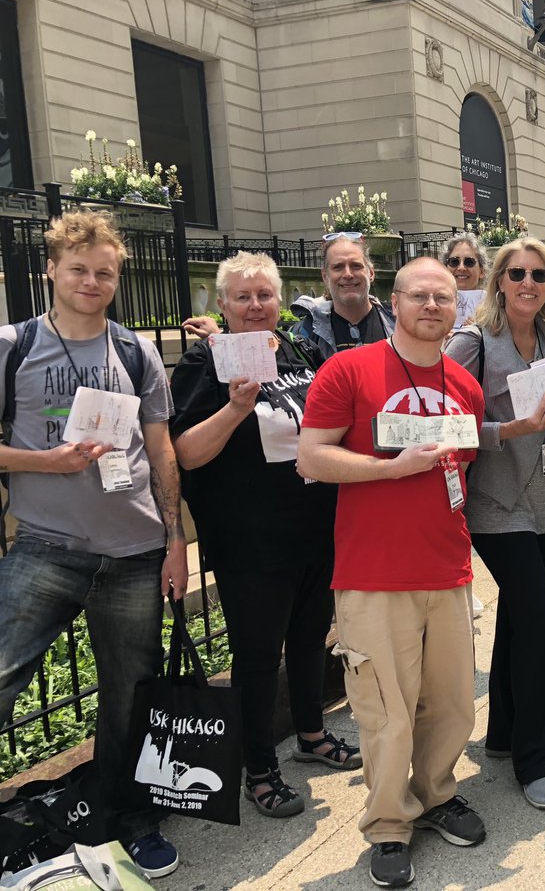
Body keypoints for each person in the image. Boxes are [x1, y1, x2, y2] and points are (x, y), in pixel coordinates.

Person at [0, 210, 187, 878]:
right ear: (51, 268)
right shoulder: (12, 346)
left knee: (130, 695)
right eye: (79, 269)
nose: (92, 281)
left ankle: (128, 817)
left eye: (105, 272)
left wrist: (175, 540)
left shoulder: (135, 351)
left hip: (135, 553)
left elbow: (161, 451)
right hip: (47, 548)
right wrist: (43, 462)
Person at [297, 258, 486, 888]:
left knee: (454, 704)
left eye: (444, 297)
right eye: (420, 296)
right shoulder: (347, 369)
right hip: (373, 573)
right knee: (385, 711)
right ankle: (387, 824)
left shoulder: (465, 384)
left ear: (456, 308)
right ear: (394, 301)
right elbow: (312, 457)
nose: (432, 305)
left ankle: (434, 795)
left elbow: (464, 470)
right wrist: (390, 470)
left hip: (447, 567)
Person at [169, 252, 360, 819]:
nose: (256, 306)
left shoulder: (302, 349)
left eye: (265, 295)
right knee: (257, 656)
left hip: (314, 528)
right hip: (250, 541)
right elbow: (185, 453)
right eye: (243, 297)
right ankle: (259, 769)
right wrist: (233, 409)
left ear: (280, 301)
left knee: (309, 640)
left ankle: (310, 735)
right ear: (222, 305)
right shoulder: (206, 361)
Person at [444, 238, 545, 811]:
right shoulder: (471, 343)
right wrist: (510, 430)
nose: (528, 283)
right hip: (497, 507)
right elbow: (446, 428)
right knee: (537, 617)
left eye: (539, 275)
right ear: (499, 281)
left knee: (523, 615)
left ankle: (503, 732)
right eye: (516, 273)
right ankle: (535, 758)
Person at [296, 232, 397, 358]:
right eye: (338, 267)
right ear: (325, 276)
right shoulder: (306, 333)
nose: (348, 274)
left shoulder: (397, 325)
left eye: (356, 266)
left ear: (371, 273)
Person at [442, 232, 488, 328]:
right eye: (454, 261)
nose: (461, 268)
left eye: (469, 262)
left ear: (482, 271)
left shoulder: (495, 308)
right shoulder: (432, 304)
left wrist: (484, 332)